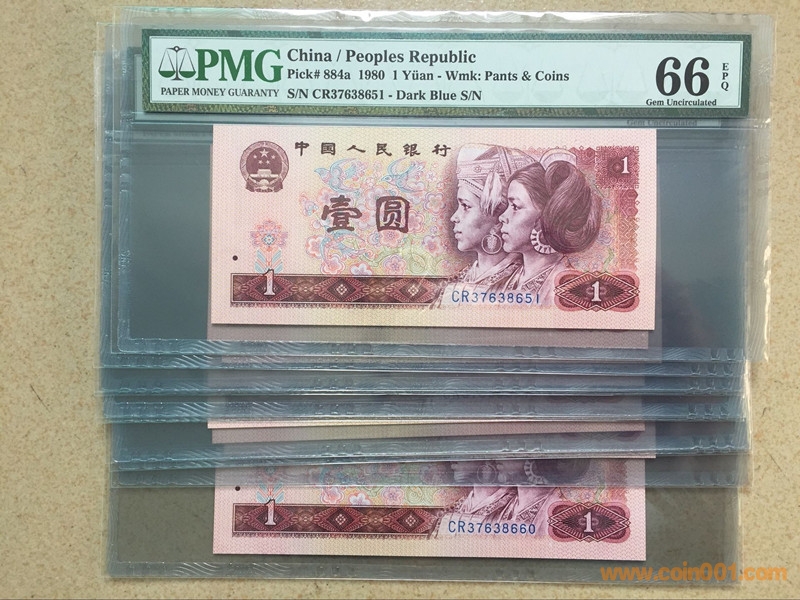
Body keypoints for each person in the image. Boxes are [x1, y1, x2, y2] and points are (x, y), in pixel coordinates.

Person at [498, 150, 602, 304]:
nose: (502, 217)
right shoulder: (507, 279)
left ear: (546, 217)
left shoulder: (566, 290)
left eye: (515, 206)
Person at [447, 145, 535, 290]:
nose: (454, 217)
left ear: (498, 218)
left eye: (465, 206)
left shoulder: (522, 283)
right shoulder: (460, 280)